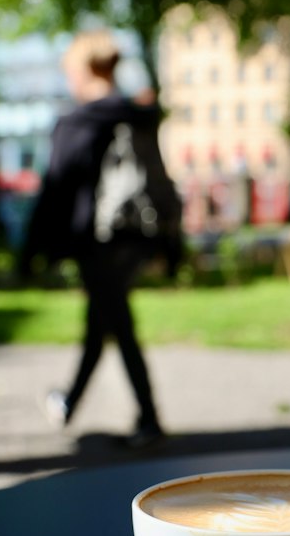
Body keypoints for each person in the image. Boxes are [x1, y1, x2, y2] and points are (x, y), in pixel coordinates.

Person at [20, 29, 181, 447]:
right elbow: (160, 181)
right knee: (103, 320)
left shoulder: (78, 122)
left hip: (100, 238)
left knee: (118, 324)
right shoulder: (139, 115)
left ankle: (149, 419)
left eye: (70, 71)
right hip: (138, 235)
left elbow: (55, 189)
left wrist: (31, 250)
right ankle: (71, 401)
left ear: (85, 70)